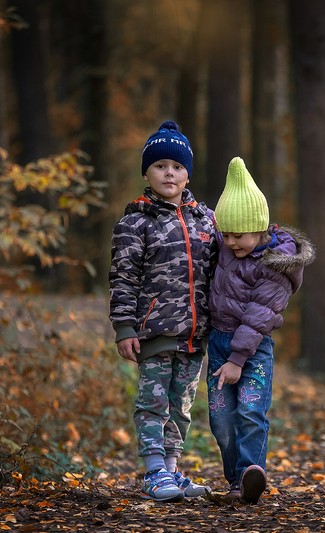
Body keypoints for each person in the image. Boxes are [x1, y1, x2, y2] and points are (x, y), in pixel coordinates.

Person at [109, 120, 216, 502]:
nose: (168, 172)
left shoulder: (206, 220)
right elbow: (123, 277)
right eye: (159, 166)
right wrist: (124, 326)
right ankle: (154, 470)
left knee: (182, 406)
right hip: (153, 330)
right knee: (153, 402)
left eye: (177, 166)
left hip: (195, 333)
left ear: (187, 174)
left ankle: (171, 470)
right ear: (147, 172)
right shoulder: (135, 222)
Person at [207, 156, 316, 504]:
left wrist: (238, 358)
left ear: (260, 228)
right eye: (225, 234)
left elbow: (259, 314)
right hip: (219, 343)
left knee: (250, 412)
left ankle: (249, 475)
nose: (231, 242)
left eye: (238, 235)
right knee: (221, 420)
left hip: (251, 350)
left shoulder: (274, 265)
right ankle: (234, 480)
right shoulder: (229, 249)